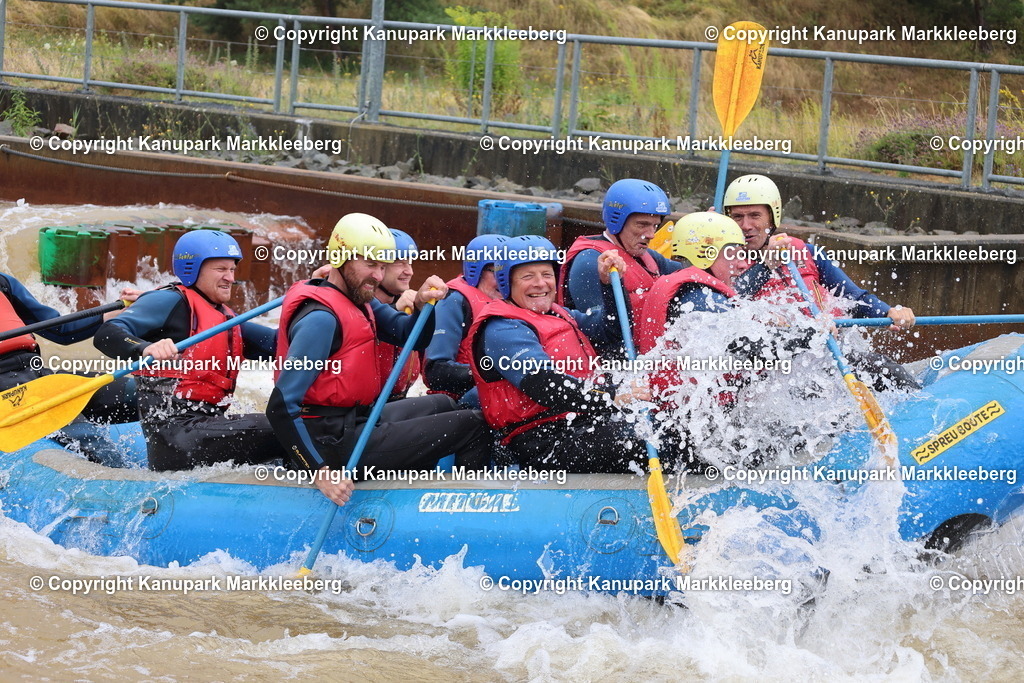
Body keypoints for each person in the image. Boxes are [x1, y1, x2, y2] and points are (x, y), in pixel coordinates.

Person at [266, 213, 492, 506]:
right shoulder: (320, 319)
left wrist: (424, 304)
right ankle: (463, 512)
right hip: (331, 443)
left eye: (382, 265)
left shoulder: (362, 299)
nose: (377, 274)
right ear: (340, 257)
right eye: (370, 264)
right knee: (474, 424)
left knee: (444, 404)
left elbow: (410, 334)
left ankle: (416, 489)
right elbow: (281, 406)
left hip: (355, 420)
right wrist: (320, 472)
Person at [94, 230, 288, 470]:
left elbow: (283, 345)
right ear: (192, 269)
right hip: (176, 440)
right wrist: (145, 348)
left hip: (203, 428)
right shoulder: (167, 301)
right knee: (286, 428)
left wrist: (321, 296)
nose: (230, 278)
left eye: (232, 269)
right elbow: (107, 334)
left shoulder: (224, 318)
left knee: (300, 423)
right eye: (221, 269)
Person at [470, 234, 649, 473]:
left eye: (546, 275)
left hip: (582, 424)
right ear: (506, 282)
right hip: (543, 444)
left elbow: (612, 331)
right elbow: (544, 384)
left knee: (670, 425)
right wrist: (611, 395)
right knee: (651, 439)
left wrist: (606, 286)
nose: (541, 284)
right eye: (527, 276)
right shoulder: (502, 327)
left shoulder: (558, 313)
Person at [723, 174, 919, 390]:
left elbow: (853, 298)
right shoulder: (721, 260)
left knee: (885, 368)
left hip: (823, 356)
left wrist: (888, 312)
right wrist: (765, 266)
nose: (746, 225)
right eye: (737, 217)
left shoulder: (808, 253)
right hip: (771, 369)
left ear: (771, 218)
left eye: (754, 215)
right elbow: (730, 302)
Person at [0, 272, 140, 466]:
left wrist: (122, 306)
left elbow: (62, 330)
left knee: (148, 393)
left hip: (42, 378)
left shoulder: (3, 283)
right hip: (12, 395)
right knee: (97, 446)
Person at [560, 178, 680, 328]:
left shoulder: (650, 258)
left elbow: (694, 273)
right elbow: (603, 333)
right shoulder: (588, 262)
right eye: (642, 225)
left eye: (655, 226)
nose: (651, 235)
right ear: (617, 222)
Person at [422, 233, 507, 405]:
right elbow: (435, 372)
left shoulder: (516, 301)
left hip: (496, 398)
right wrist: (499, 372)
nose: (505, 281)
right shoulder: (454, 301)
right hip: (457, 403)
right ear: (477, 270)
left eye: (510, 272)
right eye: (498, 272)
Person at [374, 228, 421, 400]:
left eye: (409, 262)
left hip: (398, 399)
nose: (410, 271)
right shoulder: (356, 306)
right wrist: (394, 311)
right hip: (365, 410)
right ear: (378, 266)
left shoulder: (411, 303)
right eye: (400, 262)